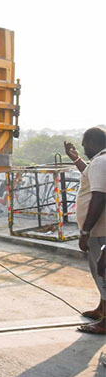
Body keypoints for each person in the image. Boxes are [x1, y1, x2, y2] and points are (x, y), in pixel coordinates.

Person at [64, 126, 106, 335]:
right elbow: (90, 176)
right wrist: (76, 159)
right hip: (97, 231)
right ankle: (102, 309)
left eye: (84, 145)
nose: (83, 148)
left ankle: (105, 320)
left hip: (99, 231)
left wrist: (85, 231)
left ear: (92, 142)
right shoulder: (98, 162)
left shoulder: (100, 162)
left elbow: (98, 197)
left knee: (103, 272)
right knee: (100, 272)